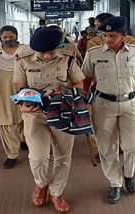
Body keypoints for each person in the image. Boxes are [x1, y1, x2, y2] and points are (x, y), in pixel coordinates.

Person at [82, 16, 135, 204]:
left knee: (133, 147)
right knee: (107, 147)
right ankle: (115, 183)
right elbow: (85, 79)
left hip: (132, 104)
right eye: (104, 35)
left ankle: (129, 174)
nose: (108, 39)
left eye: (112, 35)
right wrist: (81, 102)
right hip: (103, 104)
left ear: (123, 35)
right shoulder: (94, 53)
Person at [13, 27, 85, 212]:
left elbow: (78, 83)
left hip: (62, 112)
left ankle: (56, 192)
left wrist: (66, 95)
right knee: (38, 157)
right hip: (35, 114)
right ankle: (41, 183)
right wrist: (24, 102)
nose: (46, 56)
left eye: (50, 52)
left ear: (59, 46)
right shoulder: (23, 59)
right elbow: (21, 88)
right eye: (41, 53)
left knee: (62, 157)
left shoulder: (68, 58)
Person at [0, 25, 28, 169]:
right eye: (5, 37)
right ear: (0, 38)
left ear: (17, 36)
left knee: (26, 116)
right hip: (2, 91)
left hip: (22, 87)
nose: (8, 40)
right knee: (4, 121)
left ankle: (24, 139)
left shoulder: (26, 50)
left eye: (11, 37)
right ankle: (12, 154)